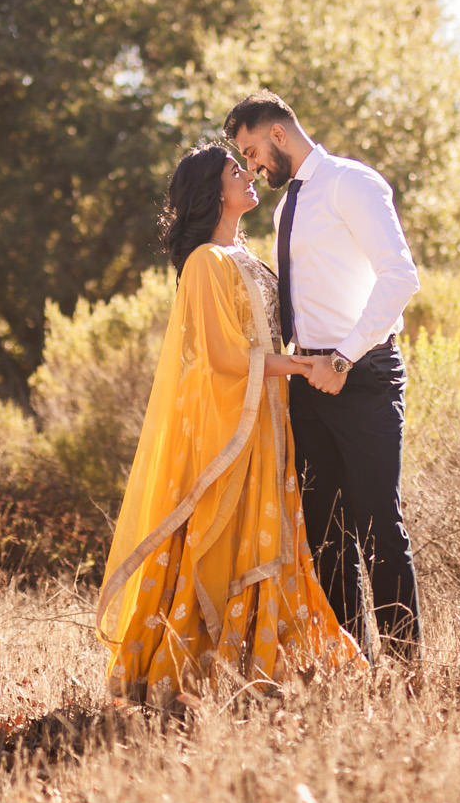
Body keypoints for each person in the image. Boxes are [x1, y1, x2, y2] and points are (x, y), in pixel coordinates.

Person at [96, 145, 364, 705]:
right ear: (213, 192)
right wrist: (302, 365)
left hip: (268, 420)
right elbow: (222, 355)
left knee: (277, 536)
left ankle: (272, 667)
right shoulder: (204, 262)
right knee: (229, 538)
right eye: (235, 171)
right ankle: (201, 671)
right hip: (230, 426)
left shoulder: (244, 255)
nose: (249, 176)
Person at [223, 92, 422, 663]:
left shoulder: (350, 184)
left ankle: (408, 668)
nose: (255, 165)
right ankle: (352, 663)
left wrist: (344, 359)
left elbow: (399, 277)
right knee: (326, 534)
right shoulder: (288, 209)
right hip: (306, 382)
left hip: (360, 377)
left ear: (279, 135)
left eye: (255, 151)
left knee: (378, 525)